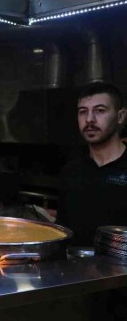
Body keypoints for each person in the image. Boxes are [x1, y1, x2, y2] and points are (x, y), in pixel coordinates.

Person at [57, 82, 127, 246]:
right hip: (74, 268)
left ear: (121, 116)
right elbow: (61, 230)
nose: (89, 119)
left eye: (100, 110)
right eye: (83, 112)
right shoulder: (71, 172)